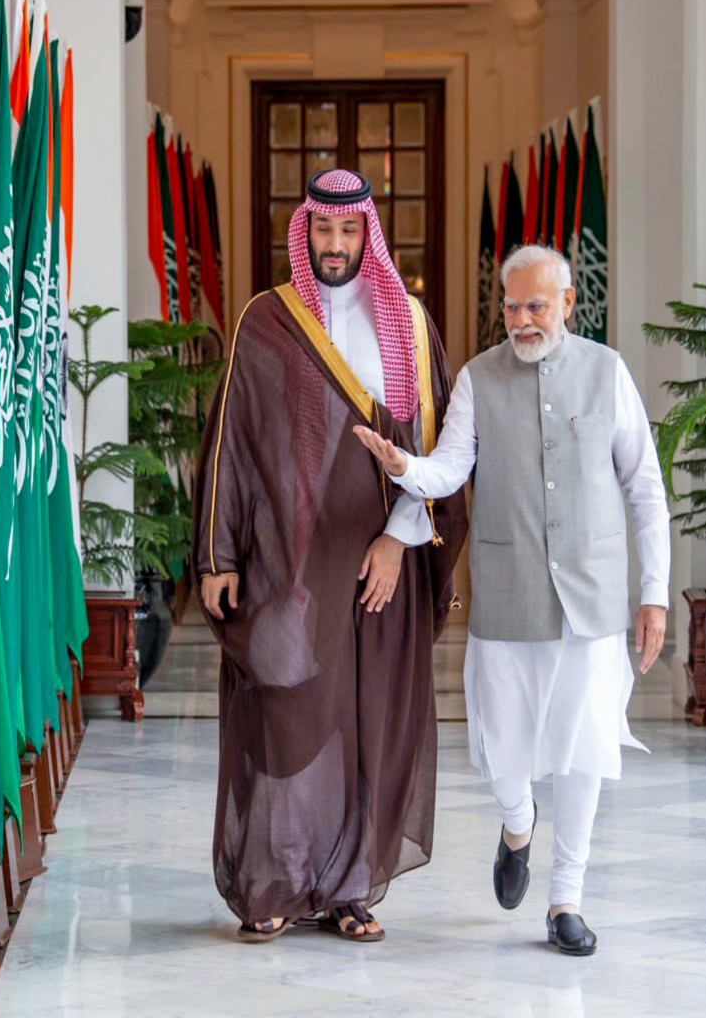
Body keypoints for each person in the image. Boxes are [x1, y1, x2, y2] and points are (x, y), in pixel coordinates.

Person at [354, 243, 669, 957]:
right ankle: (517, 822)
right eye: (512, 306)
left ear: (566, 305)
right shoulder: (476, 379)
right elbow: (449, 469)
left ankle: (566, 899)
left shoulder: (607, 372)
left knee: (585, 745)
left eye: (536, 305)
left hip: (590, 599)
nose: (523, 320)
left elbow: (645, 489)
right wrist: (406, 466)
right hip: (505, 593)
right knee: (503, 747)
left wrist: (653, 594)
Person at [193, 169, 467, 944]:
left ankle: (350, 887)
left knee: (368, 720)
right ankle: (274, 881)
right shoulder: (267, 320)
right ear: (304, 232)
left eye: (349, 232)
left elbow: (438, 454)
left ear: (368, 234)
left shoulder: (408, 325)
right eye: (323, 231)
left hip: (381, 562)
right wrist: (219, 555)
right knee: (284, 714)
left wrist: (397, 541)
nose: (336, 246)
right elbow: (231, 450)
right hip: (287, 558)